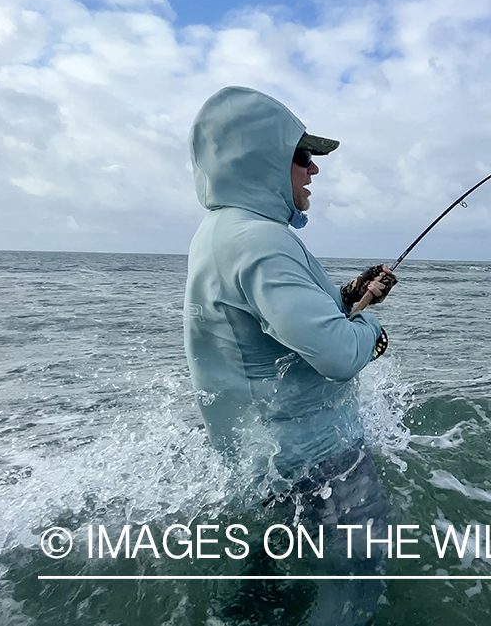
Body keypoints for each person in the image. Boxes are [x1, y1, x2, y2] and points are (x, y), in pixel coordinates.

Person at [183, 86, 394, 625]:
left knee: (273, 575)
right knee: (357, 580)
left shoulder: (221, 233)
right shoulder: (260, 241)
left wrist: (347, 296)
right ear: (265, 160)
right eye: (302, 156)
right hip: (318, 458)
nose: (312, 171)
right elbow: (336, 354)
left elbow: (268, 324)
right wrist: (371, 329)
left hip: (270, 456)